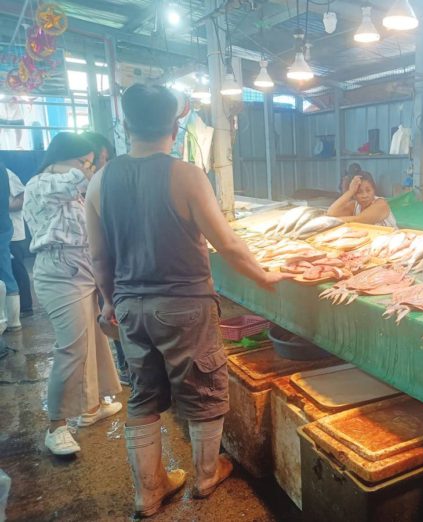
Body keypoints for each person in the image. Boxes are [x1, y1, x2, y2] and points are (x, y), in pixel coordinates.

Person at [85, 84, 290, 517]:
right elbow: (227, 243)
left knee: (142, 395)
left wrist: (108, 302)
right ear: (176, 126)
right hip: (184, 305)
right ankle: (205, 474)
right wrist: (265, 276)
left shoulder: (100, 181)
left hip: (130, 306)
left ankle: (148, 492)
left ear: (124, 125)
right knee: (203, 391)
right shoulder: (186, 175)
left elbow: (99, 254)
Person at [23, 132, 122, 456]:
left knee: (95, 340)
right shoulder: (41, 184)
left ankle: (91, 408)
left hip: (83, 270)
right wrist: (91, 165)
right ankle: (56, 426)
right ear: (61, 157)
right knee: (71, 349)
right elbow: (76, 181)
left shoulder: (74, 191)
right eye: (84, 160)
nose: (89, 167)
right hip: (59, 274)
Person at [81, 131, 129, 385]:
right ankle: (128, 370)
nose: (103, 164)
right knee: (114, 320)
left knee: (117, 320)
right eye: (97, 160)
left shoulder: (106, 182)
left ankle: (130, 371)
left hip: (112, 272)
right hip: (103, 271)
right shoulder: (93, 184)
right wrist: (108, 298)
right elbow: (99, 255)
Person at [327, 172, 397, 227]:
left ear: (374, 190)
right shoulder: (354, 205)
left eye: (368, 190)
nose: (365, 195)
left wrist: (330, 221)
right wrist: (350, 191)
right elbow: (331, 214)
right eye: (359, 192)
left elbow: (360, 219)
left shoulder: (381, 204)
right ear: (354, 195)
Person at [7, 168, 32, 319]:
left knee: (17, 269)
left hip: (13, 232)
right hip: (5, 232)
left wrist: (5, 208)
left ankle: (26, 306)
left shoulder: (7, 174)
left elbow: (23, 197)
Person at [0, 164, 19, 332]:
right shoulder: (3, 168)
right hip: (4, 224)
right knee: (5, 272)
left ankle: (5, 322)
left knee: (4, 273)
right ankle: (12, 322)